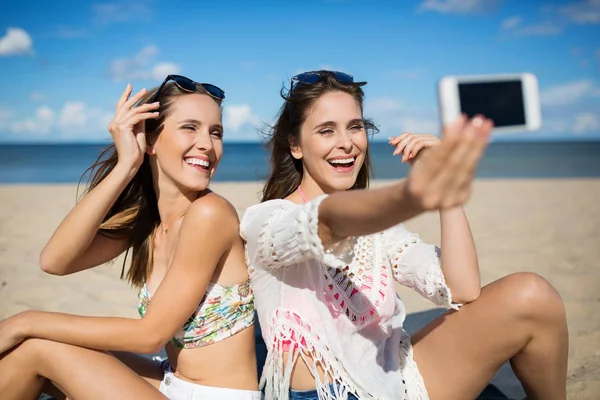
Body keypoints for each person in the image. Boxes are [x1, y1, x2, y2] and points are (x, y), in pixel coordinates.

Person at [241, 70, 568, 400]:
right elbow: (327, 223)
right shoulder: (268, 222)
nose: (347, 142)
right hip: (325, 394)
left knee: (531, 294)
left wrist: (446, 189)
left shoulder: (381, 229)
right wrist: (414, 193)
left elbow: (462, 289)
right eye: (327, 130)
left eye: (355, 127)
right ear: (296, 145)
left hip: (396, 381)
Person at [0, 75, 261, 400]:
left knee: (36, 347)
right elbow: (55, 261)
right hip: (168, 380)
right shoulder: (150, 220)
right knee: (36, 346)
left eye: (216, 132)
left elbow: (149, 335)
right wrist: (126, 164)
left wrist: (25, 321)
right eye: (189, 127)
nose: (207, 144)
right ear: (150, 141)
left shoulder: (211, 214)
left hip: (213, 396)